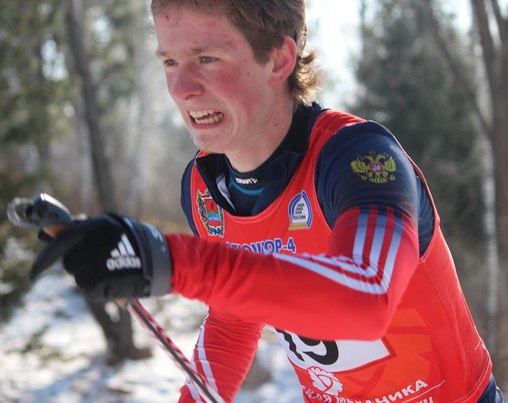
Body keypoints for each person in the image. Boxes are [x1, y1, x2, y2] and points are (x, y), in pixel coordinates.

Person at [34, 0, 504, 401]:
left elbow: (367, 298)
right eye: (170, 62)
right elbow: (233, 323)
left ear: (279, 59)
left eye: (206, 58)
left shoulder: (358, 158)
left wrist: (167, 259)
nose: (181, 89)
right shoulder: (205, 189)